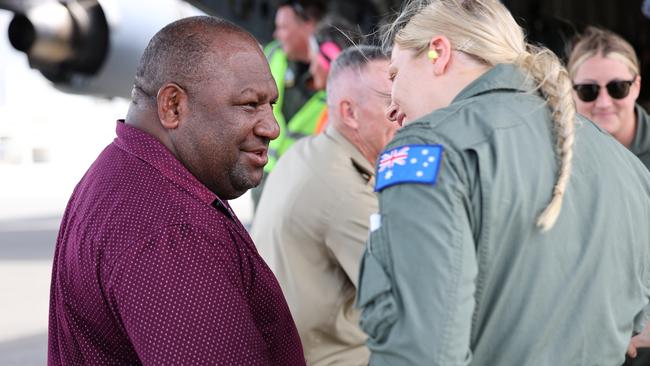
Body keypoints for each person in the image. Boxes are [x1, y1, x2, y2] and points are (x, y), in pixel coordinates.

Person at [356, 1, 650, 365]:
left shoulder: (429, 148)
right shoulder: (626, 165)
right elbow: (636, 321)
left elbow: (419, 351)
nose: (391, 109)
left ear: (439, 52)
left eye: (395, 75)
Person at [48, 16, 305, 365]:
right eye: (249, 104)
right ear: (172, 106)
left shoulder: (121, 175)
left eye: (270, 105)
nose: (272, 128)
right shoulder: (173, 232)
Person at [251, 45, 397, 366]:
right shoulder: (345, 193)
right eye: (390, 102)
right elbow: (410, 301)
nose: (402, 113)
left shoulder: (306, 153)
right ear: (349, 113)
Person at [251, 0, 328, 208]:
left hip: (301, 185)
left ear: (308, 25)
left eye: (283, 27)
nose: (277, 34)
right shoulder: (272, 54)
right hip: (263, 175)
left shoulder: (335, 71)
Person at [568, 26, 650, 170]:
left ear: (637, 87)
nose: (604, 103)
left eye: (617, 88)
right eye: (588, 90)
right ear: (571, 90)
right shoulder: (557, 153)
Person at [307, 15, 364, 132]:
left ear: (331, 59)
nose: (311, 70)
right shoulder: (342, 107)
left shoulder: (341, 114)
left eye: (313, 61)